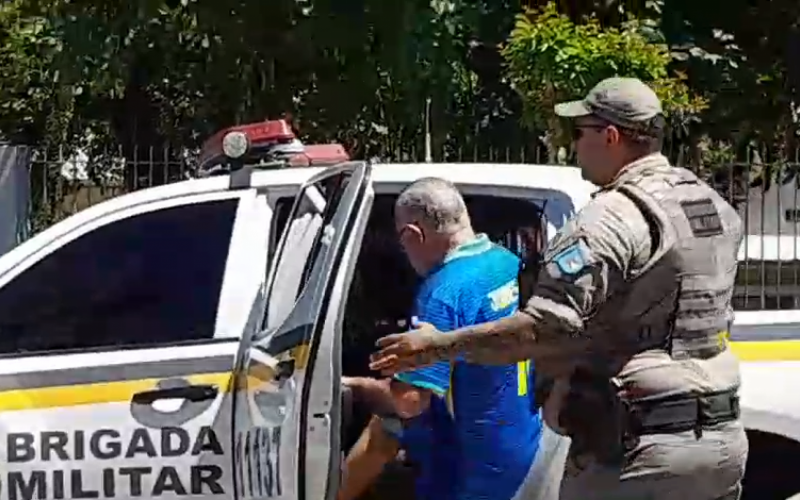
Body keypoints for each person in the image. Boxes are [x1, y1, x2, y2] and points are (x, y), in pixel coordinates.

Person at [370, 77, 748, 500]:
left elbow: (544, 330)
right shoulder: (713, 209)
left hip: (639, 454)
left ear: (611, 136)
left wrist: (436, 346)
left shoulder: (609, 219)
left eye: (579, 132)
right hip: (720, 439)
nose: (573, 145)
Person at [339, 177, 553, 500]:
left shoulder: (442, 293)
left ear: (413, 234)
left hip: (475, 468)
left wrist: (350, 387)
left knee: (386, 423)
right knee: (387, 430)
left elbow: (410, 402)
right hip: (521, 438)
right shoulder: (504, 261)